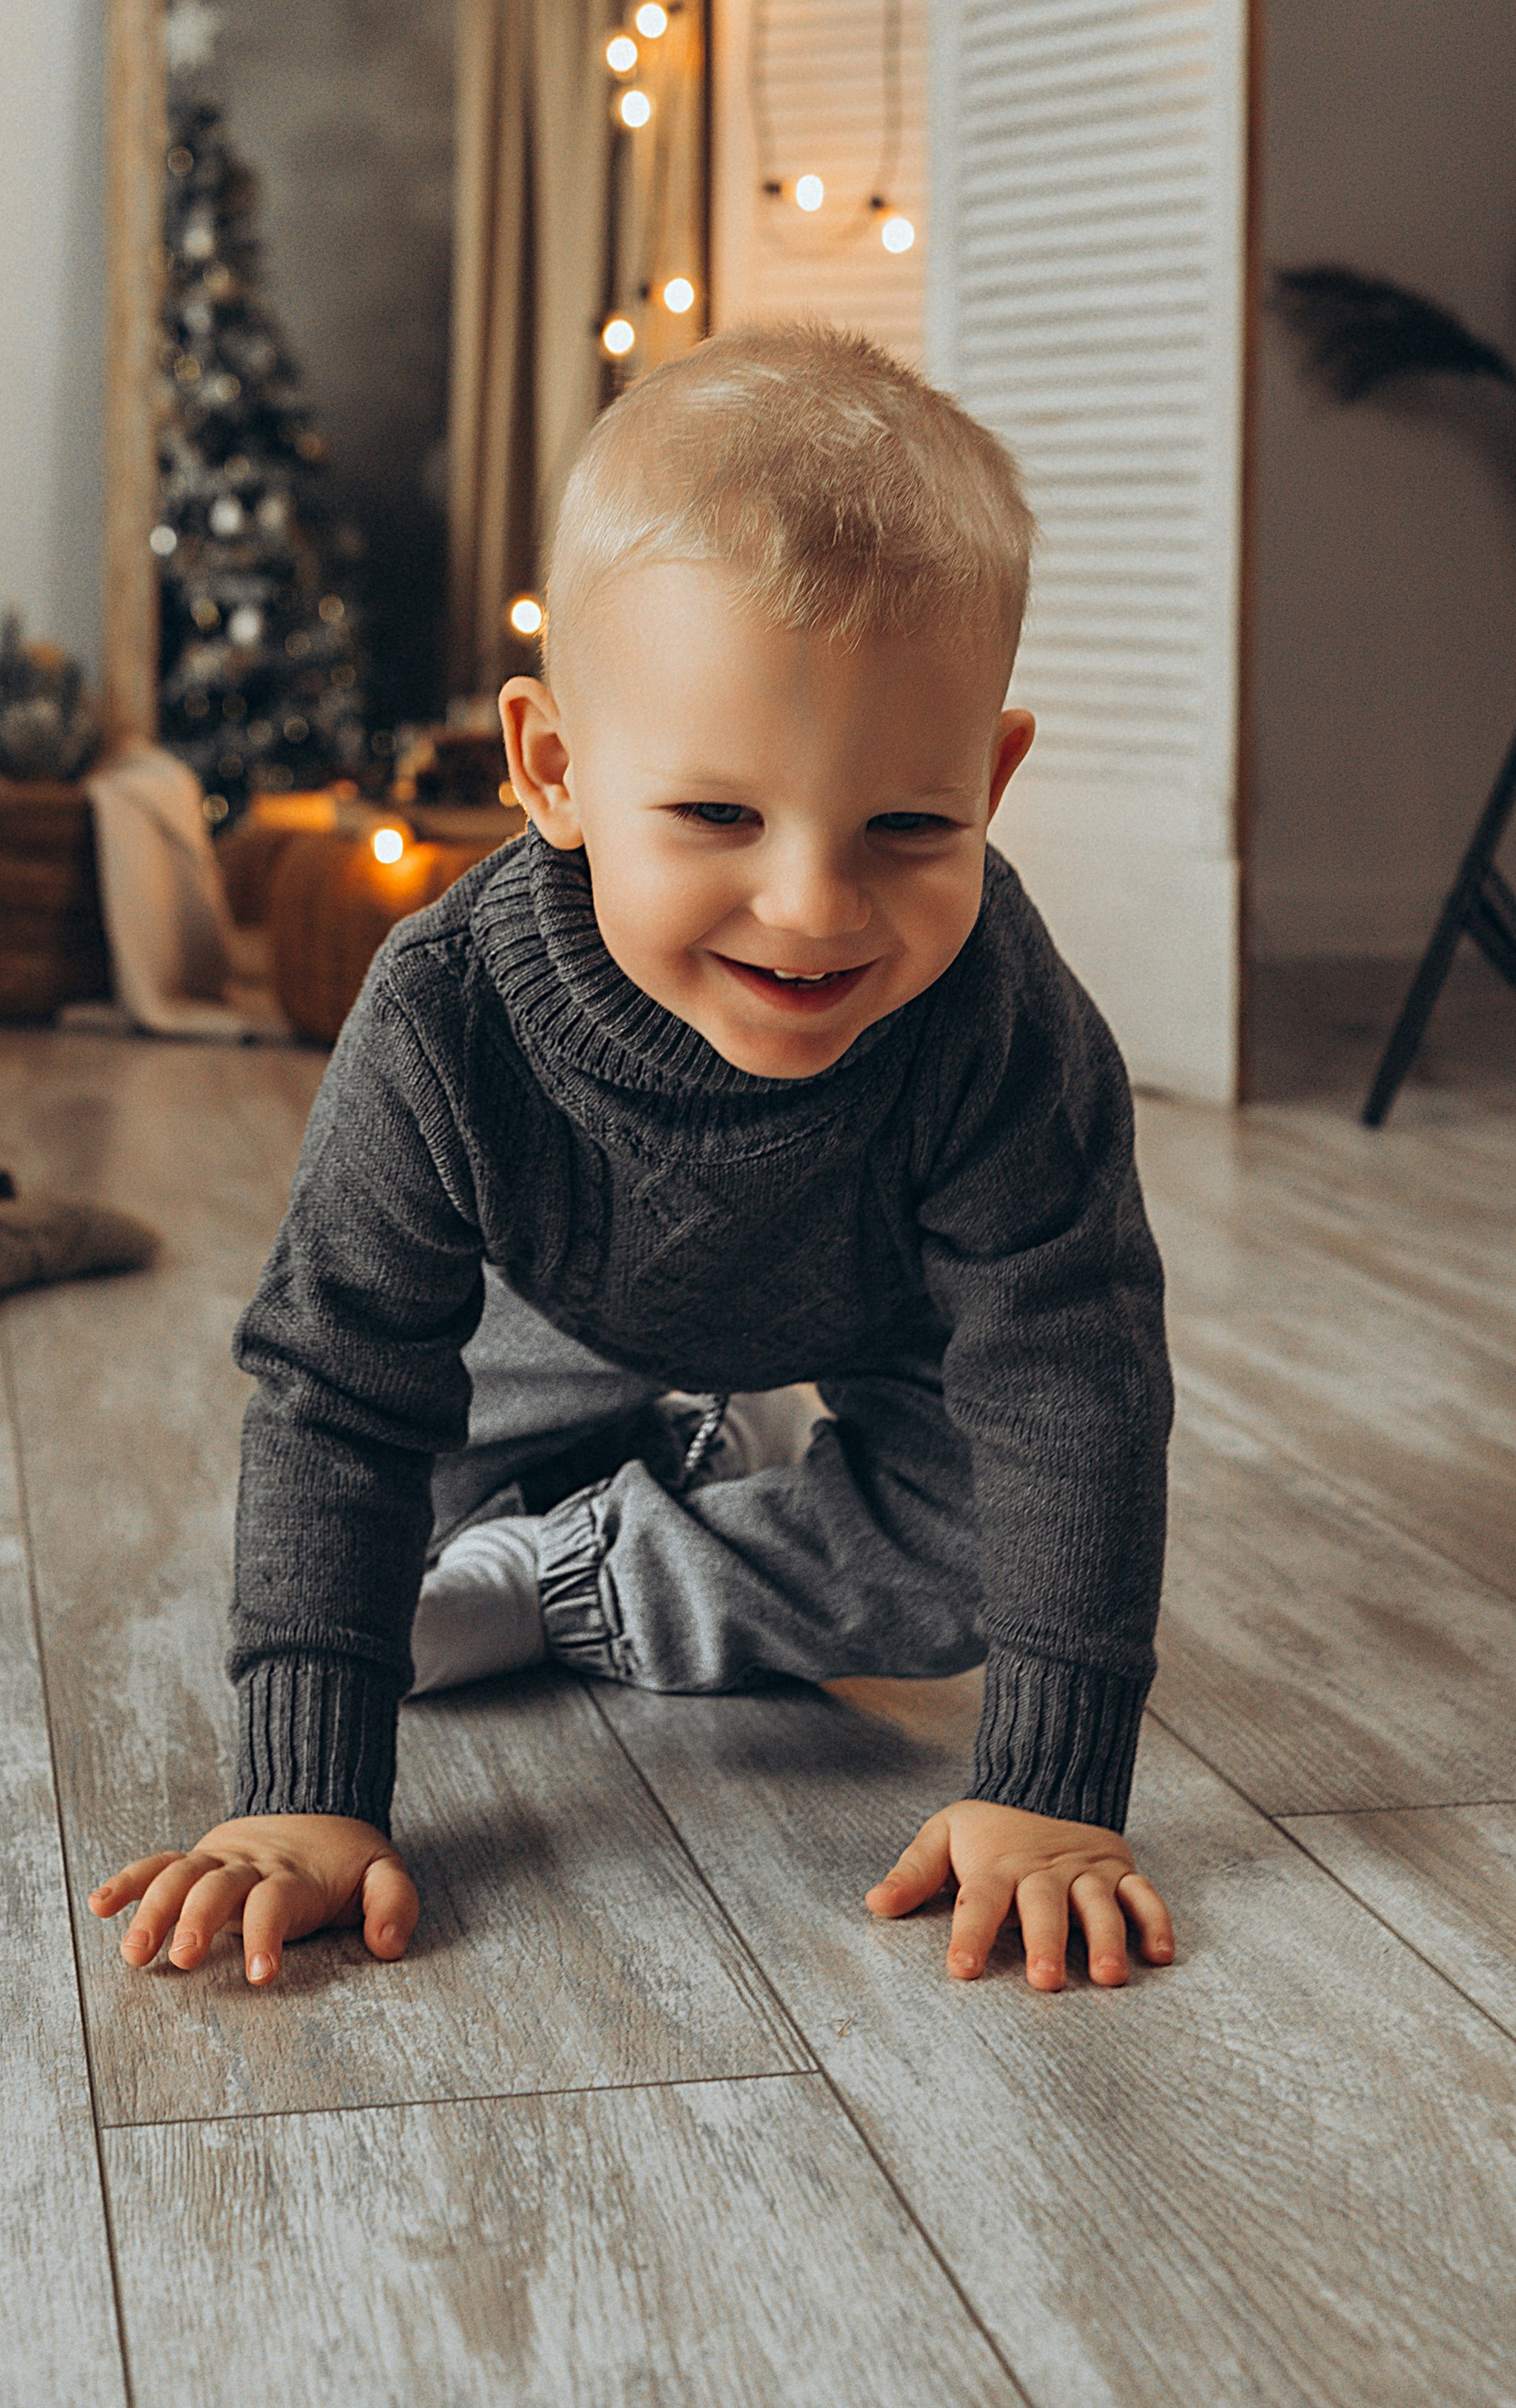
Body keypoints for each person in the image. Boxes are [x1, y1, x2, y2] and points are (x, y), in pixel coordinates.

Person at [91, 321, 1175, 1999]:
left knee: (985, 1555)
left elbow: (1070, 1381)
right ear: (554, 769)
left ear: (993, 779)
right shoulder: (447, 1013)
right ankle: (646, 1440)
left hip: (878, 1320)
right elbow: (342, 1380)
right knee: (370, 1552)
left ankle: (592, 1570)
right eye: (720, 817)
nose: (816, 905)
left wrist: (1047, 1792)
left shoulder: (1002, 1021)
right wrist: (305, 1792)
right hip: (543, 1306)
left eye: (908, 824)